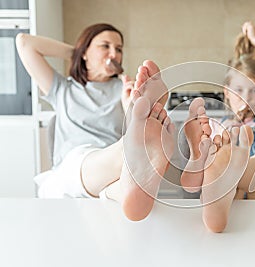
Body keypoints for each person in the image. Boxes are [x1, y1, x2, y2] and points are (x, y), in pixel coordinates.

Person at [16, 23, 170, 221]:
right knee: (85, 168)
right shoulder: (62, 89)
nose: (114, 54)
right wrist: (77, 53)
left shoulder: (126, 90)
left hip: (107, 168)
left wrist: (129, 105)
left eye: (119, 49)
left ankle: (132, 155)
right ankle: (132, 151)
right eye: (105, 46)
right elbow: (25, 43)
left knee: (121, 184)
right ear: (85, 51)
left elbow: (134, 126)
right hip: (74, 165)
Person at [180, 21, 255, 232]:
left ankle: (227, 173)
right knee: (221, 153)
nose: (246, 97)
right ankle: (220, 186)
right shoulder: (217, 126)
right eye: (238, 89)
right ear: (226, 91)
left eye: (254, 90)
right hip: (233, 204)